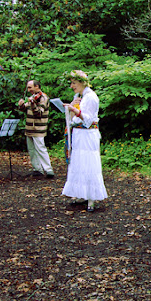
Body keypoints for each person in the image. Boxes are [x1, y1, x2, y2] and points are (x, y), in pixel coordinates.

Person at [61, 70, 107, 212]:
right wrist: (71, 107)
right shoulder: (78, 97)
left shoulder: (91, 97)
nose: (72, 86)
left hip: (88, 135)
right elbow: (74, 119)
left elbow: (87, 119)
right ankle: (81, 194)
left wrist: (73, 109)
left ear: (82, 83)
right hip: (79, 135)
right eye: (71, 83)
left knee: (89, 163)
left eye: (74, 83)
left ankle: (91, 198)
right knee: (79, 163)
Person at [17, 79, 55, 178]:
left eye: (30, 87)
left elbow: (39, 113)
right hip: (29, 128)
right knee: (32, 150)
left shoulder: (44, 98)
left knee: (41, 149)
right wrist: (21, 105)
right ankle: (37, 169)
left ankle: (48, 170)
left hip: (39, 128)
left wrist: (33, 104)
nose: (28, 90)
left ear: (37, 87)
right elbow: (25, 109)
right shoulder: (32, 97)